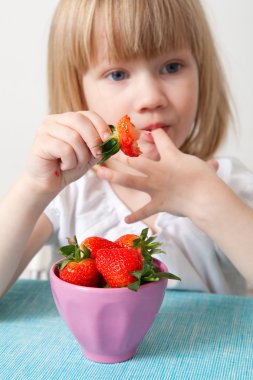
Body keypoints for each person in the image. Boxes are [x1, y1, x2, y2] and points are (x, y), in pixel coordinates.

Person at [1, 0, 253, 298]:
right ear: (78, 88)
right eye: (117, 74)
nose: (150, 98)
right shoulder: (70, 192)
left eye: (172, 67)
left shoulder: (227, 182)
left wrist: (206, 199)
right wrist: (35, 186)